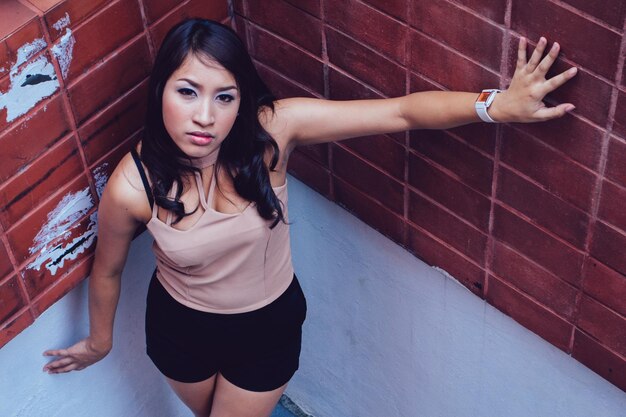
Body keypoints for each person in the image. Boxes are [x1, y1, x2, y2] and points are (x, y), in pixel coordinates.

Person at [42, 18, 577, 417]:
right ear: (161, 90)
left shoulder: (273, 131)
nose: (205, 116)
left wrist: (496, 105)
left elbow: (399, 111)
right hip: (180, 329)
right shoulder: (131, 185)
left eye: (223, 97)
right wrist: (99, 341)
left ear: (241, 100)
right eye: (187, 92)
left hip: (266, 326)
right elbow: (108, 271)